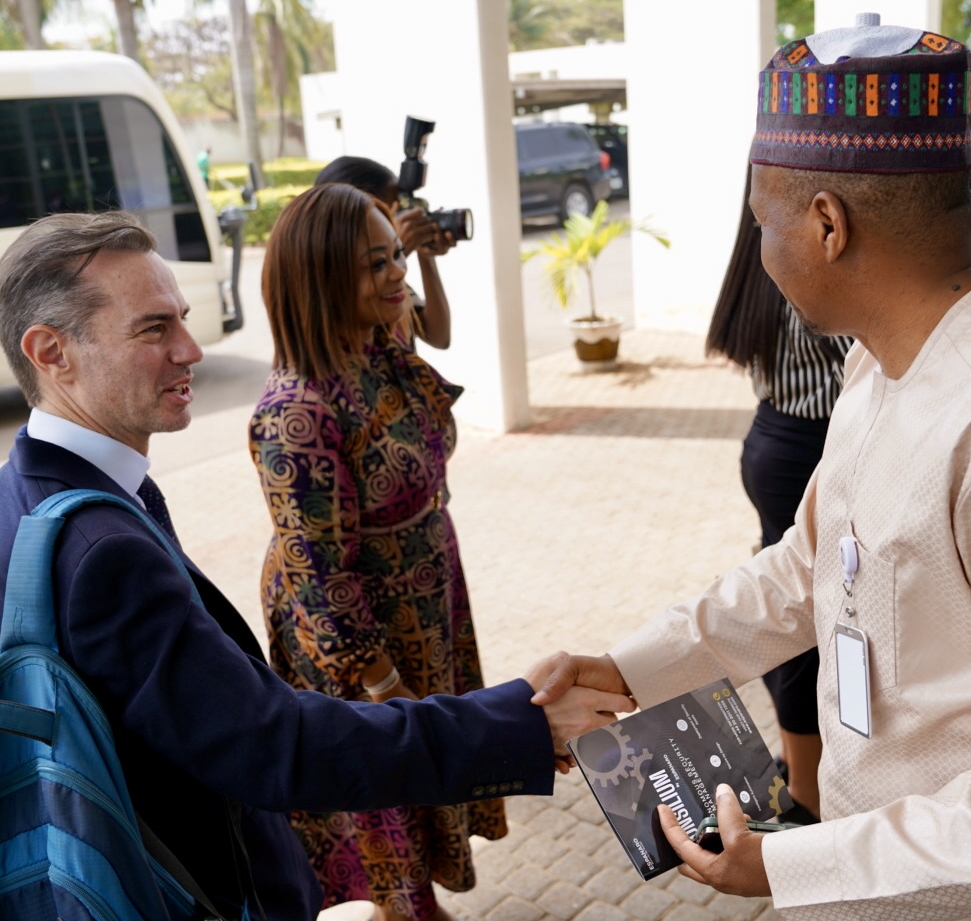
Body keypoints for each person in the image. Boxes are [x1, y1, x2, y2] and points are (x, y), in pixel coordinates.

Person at [534, 16, 971, 918]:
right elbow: (810, 568)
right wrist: (630, 671)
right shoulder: (877, 361)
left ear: (827, 224)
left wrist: (794, 867)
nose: (761, 250)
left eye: (763, 223)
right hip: (871, 881)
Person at [0, 210, 633, 920]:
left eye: (182, 318)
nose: (192, 349)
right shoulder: (102, 548)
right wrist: (519, 723)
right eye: (154, 328)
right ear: (50, 351)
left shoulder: (27, 490)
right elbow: (273, 746)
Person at [247, 181, 494, 921]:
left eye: (396, 256)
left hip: (427, 597)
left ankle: (416, 907)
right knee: (388, 777)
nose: (398, 275)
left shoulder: (379, 347)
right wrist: (387, 686)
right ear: (320, 279)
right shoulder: (295, 414)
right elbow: (323, 586)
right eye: (374, 265)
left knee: (421, 779)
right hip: (361, 635)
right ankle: (406, 910)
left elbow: (434, 326)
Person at [704, 164, 852, 824]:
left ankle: (802, 768)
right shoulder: (806, 274)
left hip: (772, 439)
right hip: (807, 444)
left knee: (796, 604)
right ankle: (808, 791)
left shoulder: (755, 256)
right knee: (808, 623)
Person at [316, 155, 453, 349]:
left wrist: (426, 254)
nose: (397, 221)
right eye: (390, 213)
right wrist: (396, 252)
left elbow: (438, 336)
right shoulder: (331, 290)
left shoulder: (394, 281)